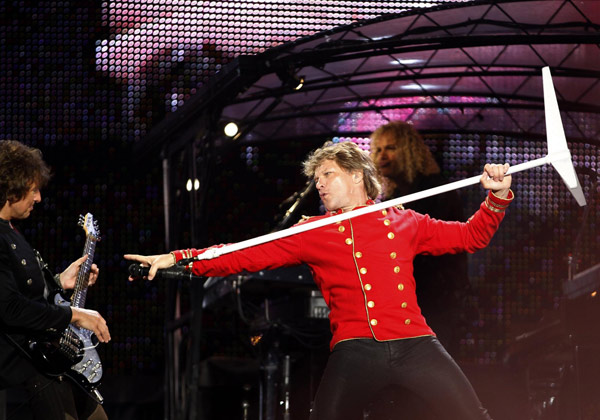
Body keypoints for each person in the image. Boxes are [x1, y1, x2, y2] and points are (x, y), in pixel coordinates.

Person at [126, 141, 513, 420]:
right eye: (317, 178)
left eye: (327, 174)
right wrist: (178, 259)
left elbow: (470, 236)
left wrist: (497, 197)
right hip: (357, 349)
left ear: (358, 175)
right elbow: (241, 253)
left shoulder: (403, 221)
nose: (320, 184)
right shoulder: (313, 230)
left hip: (416, 343)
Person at [0, 140, 111, 420]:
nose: (38, 198)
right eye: (33, 189)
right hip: (24, 367)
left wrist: (60, 281)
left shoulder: (11, 232)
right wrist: (73, 315)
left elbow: (26, 292)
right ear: (12, 186)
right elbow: (10, 307)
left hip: (46, 359)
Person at [370, 120, 475, 356]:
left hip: (436, 304)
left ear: (408, 151)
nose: (382, 156)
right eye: (377, 150)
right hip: (410, 305)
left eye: (390, 148)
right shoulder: (393, 198)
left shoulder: (433, 191)